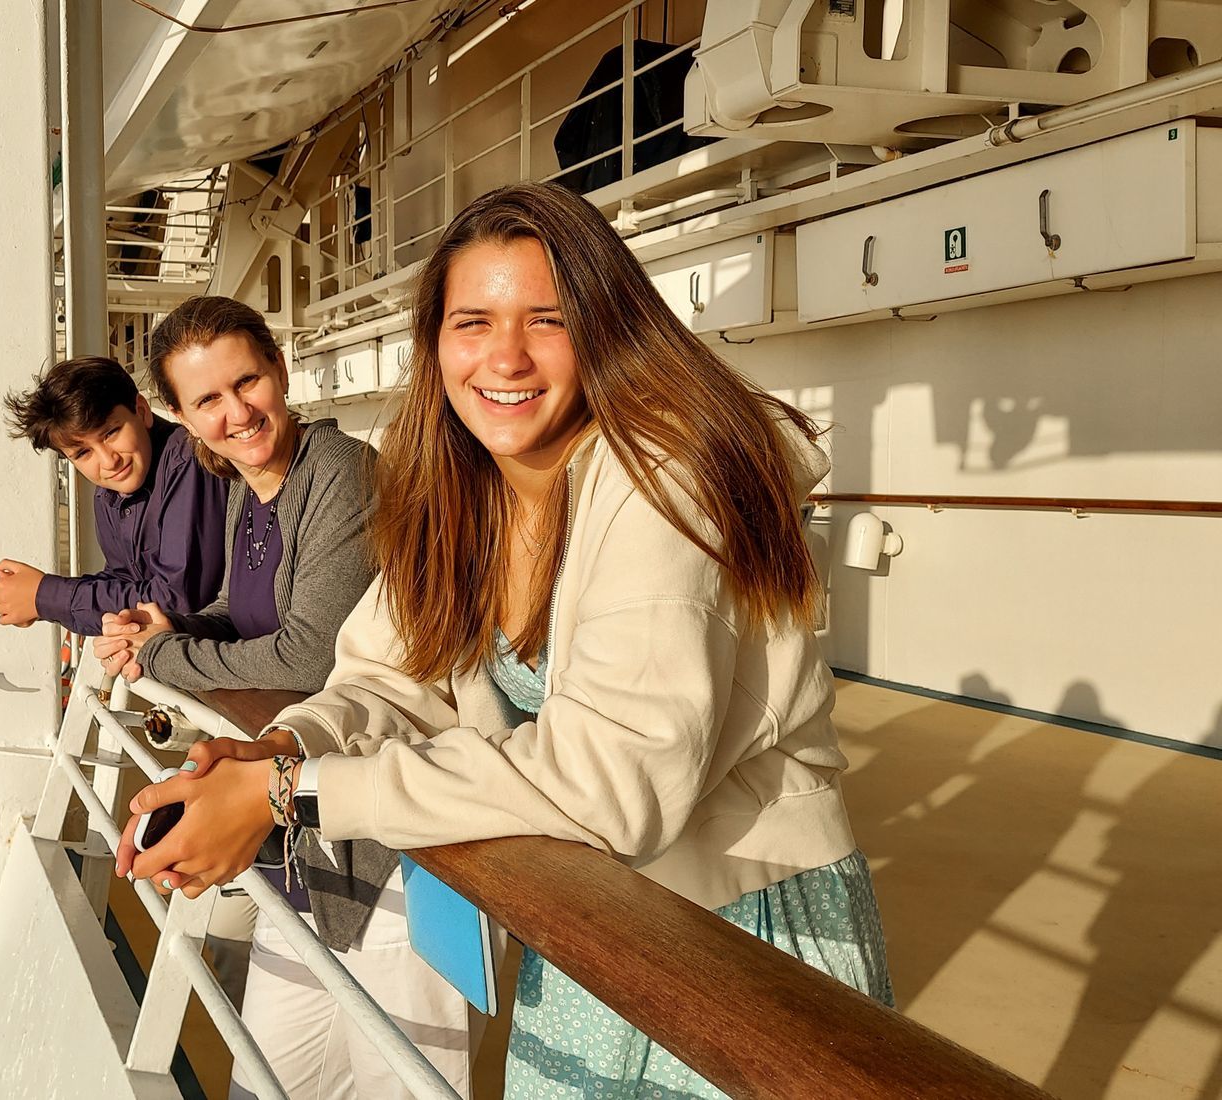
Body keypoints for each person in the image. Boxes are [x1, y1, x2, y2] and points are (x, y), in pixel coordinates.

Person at [119, 183, 892, 1098]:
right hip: (599, 921)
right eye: (472, 322)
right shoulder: (470, 487)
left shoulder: (668, 478)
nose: (505, 357)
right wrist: (282, 746)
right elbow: (388, 674)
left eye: (548, 320)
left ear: (607, 327)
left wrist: (288, 795)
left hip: (738, 932)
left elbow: (615, 779)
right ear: (436, 341)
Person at [96, 295, 472, 1100]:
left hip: (394, 845)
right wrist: (167, 629)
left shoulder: (341, 477)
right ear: (180, 416)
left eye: (248, 381)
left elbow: (310, 653)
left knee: (398, 1082)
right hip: (299, 828)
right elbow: (243, 612)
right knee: (271, 1078)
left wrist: (165, 653)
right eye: (208, 400)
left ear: (280, 368)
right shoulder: (247, 486)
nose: (237, 412)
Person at [0, 354, 226, 635]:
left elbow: (179, 598)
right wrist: (41, 599)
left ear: (141, 411)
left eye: (111, 432)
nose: (108, 461)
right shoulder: (108, 496)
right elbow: (125, 580)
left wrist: (45, 597)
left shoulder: (187, 463)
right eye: (83, 453)